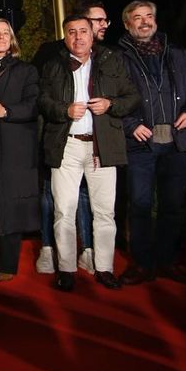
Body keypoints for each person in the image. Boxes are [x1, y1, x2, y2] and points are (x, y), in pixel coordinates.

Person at [38, 15, 140, 292]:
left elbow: (132, 97)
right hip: (66, 145)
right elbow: (43, 101)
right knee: (64, 210)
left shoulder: (111, 61)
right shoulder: (53, 64)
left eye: (83, 31)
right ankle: (67, 269)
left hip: (102, 145)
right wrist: (64, 110)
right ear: (65, 36)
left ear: (92, 34)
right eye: (72, 32)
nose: (78, 37)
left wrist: (110, 104)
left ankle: (104, 268)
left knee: (104, 212)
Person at [117, 0, 186, 286]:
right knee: (140, 206)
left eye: (149, 16)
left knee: (172, 206)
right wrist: (132, 125)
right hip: (140, 144)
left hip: (175, 142)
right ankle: (143, 263)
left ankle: (168, 261)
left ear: (155, 21)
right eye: (137, 17)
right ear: (127, 24)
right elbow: (111, 98)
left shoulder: (178, 55)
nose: (144, 21)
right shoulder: (117, 58)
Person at [30, 1, 107, 275]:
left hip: (96, 143)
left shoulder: (107, 58)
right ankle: (50, 249)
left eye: (102, 21)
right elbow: (39, 96)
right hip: (59, 139)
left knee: (89, 199)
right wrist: (62, 111)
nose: (100, 26)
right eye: (95, 20)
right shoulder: (50, 54)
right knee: (55, 199)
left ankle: (87, 250)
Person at [0, 18, 40, 280]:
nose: (1, 37)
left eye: (6, 33)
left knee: (9, 205)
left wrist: (8, 112)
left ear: (12, 39)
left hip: (13, 145)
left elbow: (34, 105)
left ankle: (6, 266)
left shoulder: (25, 70)